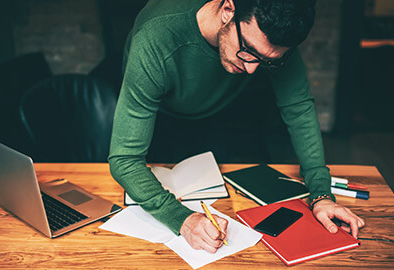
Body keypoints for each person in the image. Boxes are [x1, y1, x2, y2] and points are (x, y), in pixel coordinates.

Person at [108, 0, 365, 254]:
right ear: (227, 10)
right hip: (156, 115)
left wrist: (321, 194)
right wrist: (182, 220)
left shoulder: (273, 34)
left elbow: (298, 108)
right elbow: (125, 159)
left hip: (214, 114)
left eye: (266, 61)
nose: (252, 69)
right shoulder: (156, 36)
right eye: (248, 50)